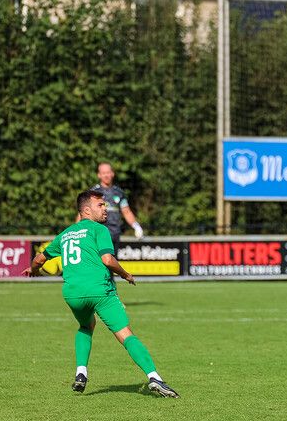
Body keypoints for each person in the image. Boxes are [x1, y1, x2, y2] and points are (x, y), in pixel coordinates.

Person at [24, 190, 178, 397]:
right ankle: (155, 378)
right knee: (125, 334)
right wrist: (125, 274)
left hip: (72, 294)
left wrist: (33, 271)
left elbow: (39, 260)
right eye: (100, 205)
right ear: (86, 210)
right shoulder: (99, 229)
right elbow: (107, 260)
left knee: (86, 325)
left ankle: (81, 373)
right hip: (99, 291)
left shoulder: (65, 234)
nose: (105, 209)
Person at [83, 162, 143, 255]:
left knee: (112, 263)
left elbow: (126, 211)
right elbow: (84, 212)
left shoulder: (119, 192)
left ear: (112, 173)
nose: (106, 175)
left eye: (108, 172)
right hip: (98, 233)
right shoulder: (93, 192)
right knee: (101, 263)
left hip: (115, 234)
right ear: (99, 175)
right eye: (103, 173)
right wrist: (78, 229)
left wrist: (136, 226)